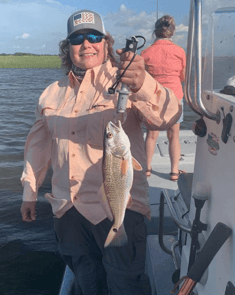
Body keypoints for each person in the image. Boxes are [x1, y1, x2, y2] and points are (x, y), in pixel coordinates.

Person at [20, 9, 181, 295]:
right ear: (67, 48)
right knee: (86, 282)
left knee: (125, 284)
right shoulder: (50, 93)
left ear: (106, 43)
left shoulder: (127, 80)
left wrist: (142, 83)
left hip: (119, 206)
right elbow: (38, 146)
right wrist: (29, 192)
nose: (86, 44)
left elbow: (168, 116)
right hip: (68, 210)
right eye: (77, 38)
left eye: (94, 36)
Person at [141, 15, 186, 181]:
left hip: (154, 98)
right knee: (174, 135)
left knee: (151, 135)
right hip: (175, 97)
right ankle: (174, 172)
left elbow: (143, 79)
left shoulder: (146, 53)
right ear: (172, 31)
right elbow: (182, 76)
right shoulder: (180, 52)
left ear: (155, 31)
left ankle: (146, 169)